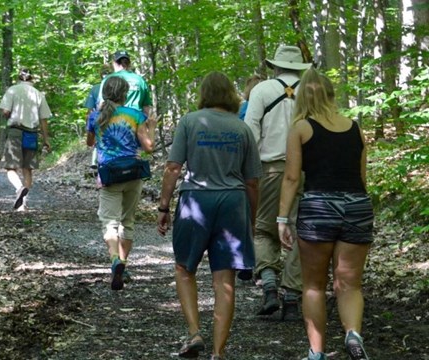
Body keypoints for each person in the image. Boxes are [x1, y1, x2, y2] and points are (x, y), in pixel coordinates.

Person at [157, 71, 262, 360]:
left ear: (203, 93)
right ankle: (218, 352)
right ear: (231, 95)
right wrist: (250, 220)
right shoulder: (242, 129)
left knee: (184, 269)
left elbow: (173, 168)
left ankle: (194, 333)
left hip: (195, 202)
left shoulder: (190, 122)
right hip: (233, 203)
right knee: (224, 279)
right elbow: (252, 181)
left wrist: (164, 207)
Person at [278, 69, 373, 360]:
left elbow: (292, 178)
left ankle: (316, 352)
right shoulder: (355, 127)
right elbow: (361, 176)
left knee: (313, 285)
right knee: (349, 284)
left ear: (301, 97)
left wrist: (282, 219)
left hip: (319, 208)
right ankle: (352, 333)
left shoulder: (301, 128)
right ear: (331, 96)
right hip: (357, 205)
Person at [244, 45, 312, 320]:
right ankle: (293, 295)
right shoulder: (311, 91)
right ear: (299, 68)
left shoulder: (262, 90)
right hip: (307, 169)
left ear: (276, 66)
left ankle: (270, 283)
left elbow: (250, 129)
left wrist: (247, 167)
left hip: (269, 168)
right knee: (301, 231)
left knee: (263, 229)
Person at [86, 76, 156, 291]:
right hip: (133, 174)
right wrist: (151, 126)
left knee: (109, 221)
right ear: (125, 94)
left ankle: (115, 258)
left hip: (109, 175)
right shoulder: (135, 115)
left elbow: (90, 143)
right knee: (128, 221)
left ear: (105, 92)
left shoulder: (95, 116)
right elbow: (148, 147)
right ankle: (123, 265)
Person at [0, 68, 52, 211]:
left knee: (11, 168)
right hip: (32, 134)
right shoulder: (38, 94)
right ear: (31, 79)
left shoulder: (12, 90)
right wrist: (46, 139)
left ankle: (19, 188)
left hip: (16, 132)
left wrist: (9, 115)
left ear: (18, 78)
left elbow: (5, 111)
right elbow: (44, 119)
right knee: (27, 169)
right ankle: (23, 203)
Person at [98, 50, 152, 116]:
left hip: (114, 119)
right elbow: (146, 107)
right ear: (129, 63)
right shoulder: (139, 80)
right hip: (136, 119)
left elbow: (102, 103)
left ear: (114, 63)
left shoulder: (108, 79)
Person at [84, 65, 111, 169]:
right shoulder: (117, 87)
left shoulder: (95, 88)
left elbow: (89, 110)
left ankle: (96, 163)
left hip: (99, 118)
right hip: (117, 118)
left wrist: (89, 125)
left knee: (99, 143)